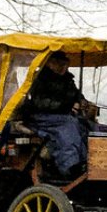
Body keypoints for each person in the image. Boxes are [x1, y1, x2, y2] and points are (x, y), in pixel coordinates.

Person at [22, 51, 91, 180]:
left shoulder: (68, 80)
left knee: (85, 126)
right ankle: (69, 166)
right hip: (41, 117)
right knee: (68, 127)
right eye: (60, 64)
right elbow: (40, 103)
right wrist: (68, 106)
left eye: (65, 64)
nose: (63, 67)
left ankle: (85, 162)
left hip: (62, 116)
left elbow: (77, 95)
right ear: (50, 63)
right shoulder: (41, 79)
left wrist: (82, 102)